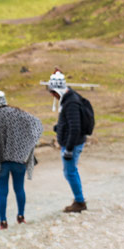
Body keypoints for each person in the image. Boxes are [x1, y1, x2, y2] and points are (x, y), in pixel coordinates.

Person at [0, 89, 43, 229]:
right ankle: (21, 216)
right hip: (19, 160)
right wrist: (28, 145)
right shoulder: (19, 114)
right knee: (19, 188)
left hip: (0, 163)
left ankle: (3, 222)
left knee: (2, 192)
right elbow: (37, 124)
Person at [48, 69, 89, 213]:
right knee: (70, 171)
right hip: (71, 142)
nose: (52, 95)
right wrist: (59, 128)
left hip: (72, 143)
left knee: (70, 172)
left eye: (52, 92)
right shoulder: (69, 98)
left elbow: (75, 127)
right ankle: (79, 199)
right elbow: (70, 122)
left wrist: (69, 149)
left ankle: (79, 202)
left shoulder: (71, 103)